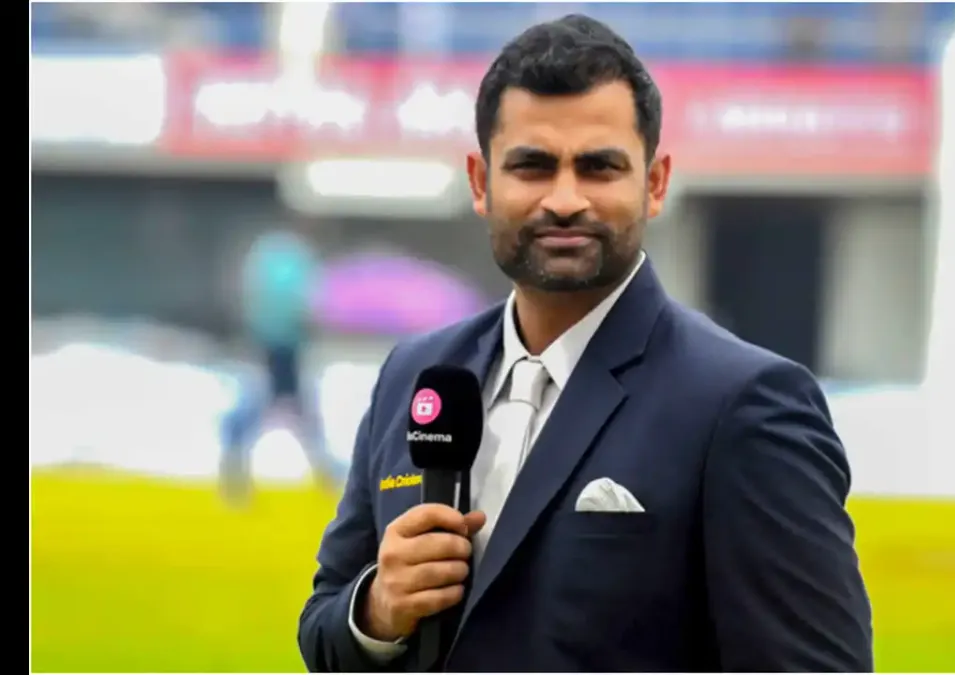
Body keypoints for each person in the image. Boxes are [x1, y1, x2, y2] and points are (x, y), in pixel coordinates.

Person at [298, 14, 873, 672]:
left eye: (599, 167)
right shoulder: (417, 373)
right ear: (481, 183)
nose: (565, 199)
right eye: (532, 166)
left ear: (654, 183)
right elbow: (324, 631)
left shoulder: (742, 403)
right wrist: (375, 610)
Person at [219, 224, 340, 502]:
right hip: (278, 349)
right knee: (292, 417)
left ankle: (327, 479)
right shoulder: (291, 257)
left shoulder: (273, 255)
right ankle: (328, 480)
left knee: (280, 416)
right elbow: (308, 305)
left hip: (273, 347)